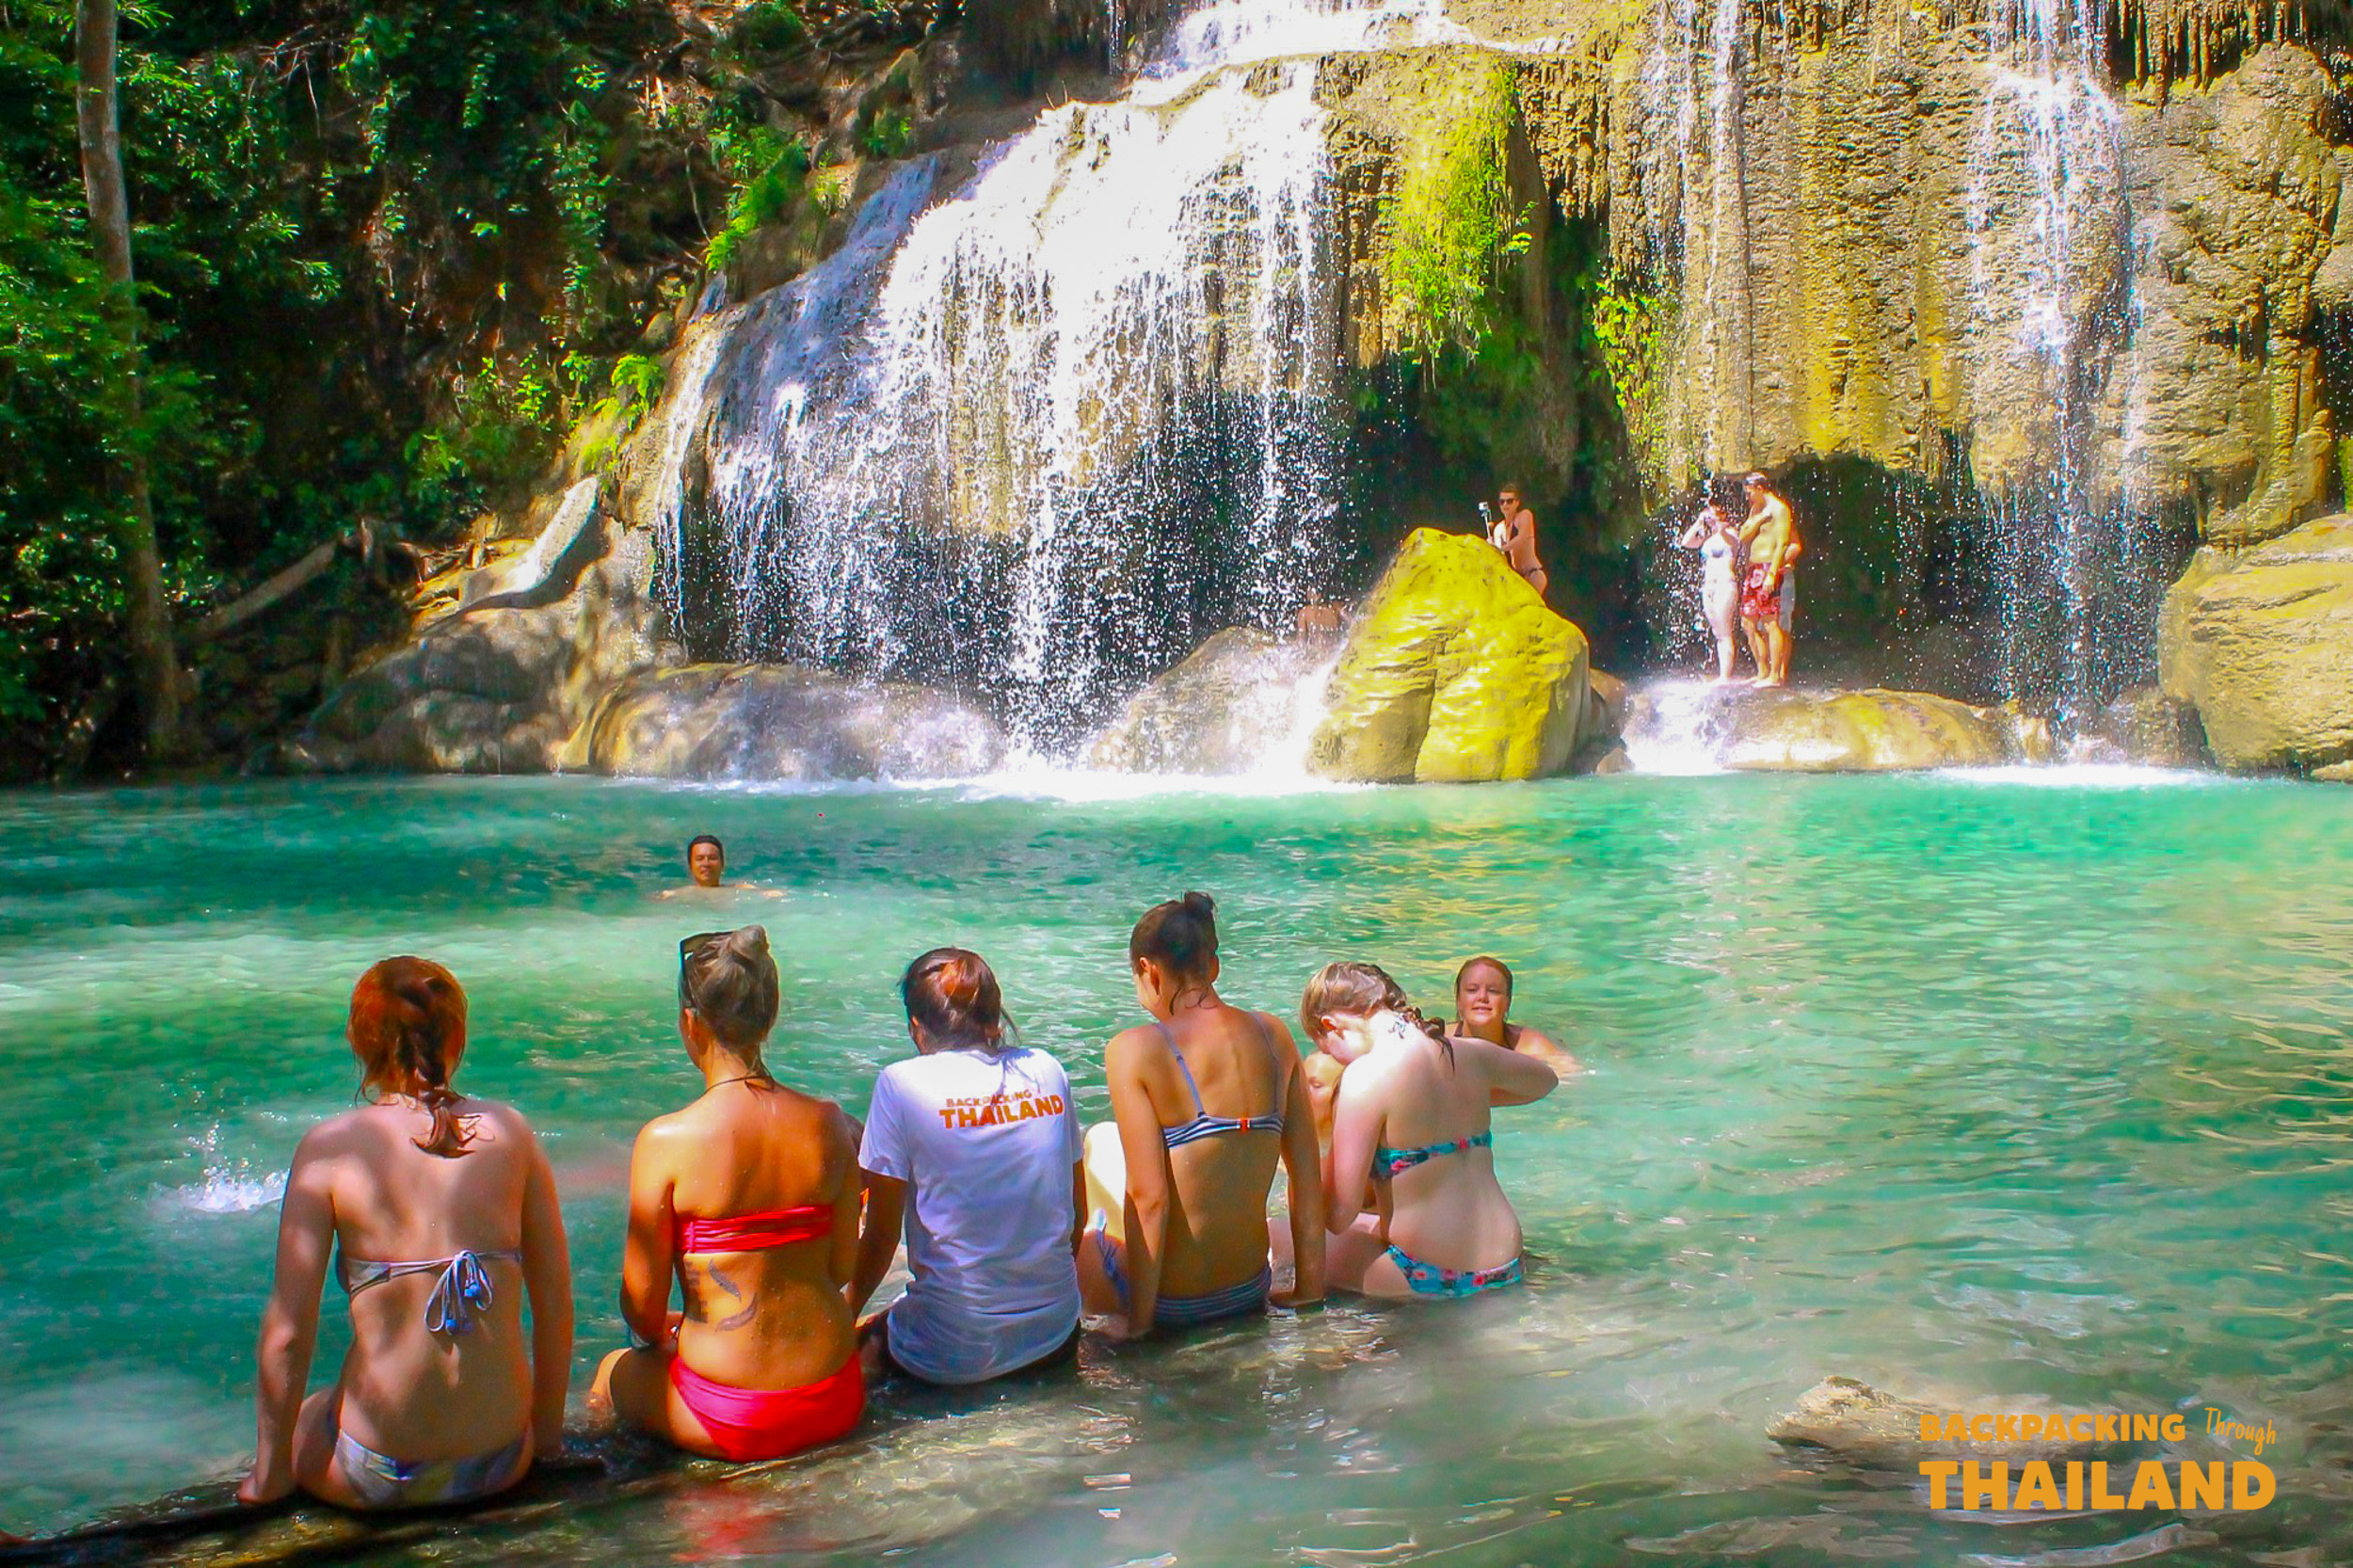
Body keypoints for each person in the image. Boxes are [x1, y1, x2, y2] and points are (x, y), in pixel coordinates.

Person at [241, 958, 572, 1511]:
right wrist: (549, 1443)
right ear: (457, 1037)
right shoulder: (512, 1131)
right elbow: (556, 1305)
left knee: (310, 1412)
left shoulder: (330, 1147)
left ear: (361, 1042)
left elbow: (288, 1335)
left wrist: (270, 1478)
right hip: (502, 1460)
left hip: (377, 1476)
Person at [590, 927, 864, 1463]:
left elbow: (642, 1312)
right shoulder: (829, 1123)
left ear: (690, 1023)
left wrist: (676, 1323)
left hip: (733, 1416)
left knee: (611, 1371)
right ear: (769, 1018)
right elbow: (839, 1268)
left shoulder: (667, 1140)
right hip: (834, 1393)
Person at [1079, 893, 1324, 1336]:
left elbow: (1149, 1199)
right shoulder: (1273, 1035)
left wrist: (1140, 1327)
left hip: (1173, 1307)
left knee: (1093, 1190)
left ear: (1148, 971)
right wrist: (1309, 1291)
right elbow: (1306, 1177)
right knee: (1104, 1137)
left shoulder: (1134, 1049)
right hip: (1249, 1290)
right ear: (1213, 966)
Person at [851, 949, 1084, 1384]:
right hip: (1055, 1336)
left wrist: (844, 1317)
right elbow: (1076, 1216)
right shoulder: (1046, 1069)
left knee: (869, 1339)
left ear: (916, 1029)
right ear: (994, 1020)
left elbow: (882, 1240)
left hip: (953, 1355)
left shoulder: (900, 1085)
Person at [1302, 963, 1557, 1298]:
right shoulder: (1468, 1053)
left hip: (1430, 1277)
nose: (1334, 1061)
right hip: (1507, 1264)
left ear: (1331, 1025)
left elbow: (1338, 1216)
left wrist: (1298, 1168)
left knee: (1279, 1237)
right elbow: (1544, 1081)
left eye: (1325, 1048)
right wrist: (1460, 1099)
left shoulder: (1366, 1077)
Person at [1451, 956, 1579, 1077]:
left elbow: (1572, 1077)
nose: (1482, 997)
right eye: (1472, 990)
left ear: (1507, 1003)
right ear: (1458, 1000)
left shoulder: (1532, 1047)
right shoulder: (1439, 1040)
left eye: (1493, 991)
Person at [1736, 472, 1801, 687]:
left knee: (1771, 622)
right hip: (1752, 569)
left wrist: (1773, 572)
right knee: (1748, 622)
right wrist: (1760, 518)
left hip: (1768, 568)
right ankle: (1762, 670)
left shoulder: (1780, 509)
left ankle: (1775, 675)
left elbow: (1784, 543)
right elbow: (1743, 536)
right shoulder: (1757, 509)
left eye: (1749, 493)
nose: (1748, 498)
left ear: (1760, 488)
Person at [1675, 498, 1746, 683]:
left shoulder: (1732, 534)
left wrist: (1720, 525)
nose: (1710, 518)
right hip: (1709, 586)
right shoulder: (1707, 537)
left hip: (1725, 584)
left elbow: (1734, 543)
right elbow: (1686, 542)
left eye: (1713, 514)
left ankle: (1725, 676)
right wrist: (1699, 522)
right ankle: (1723, 673)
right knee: (1717, 631)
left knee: (1724, 631)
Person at [659, 835, 781, 899]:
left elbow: (768, 893)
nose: (706, 864)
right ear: (690, 865)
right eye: (699, 859)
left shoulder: (742, 889)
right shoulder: (675, 895)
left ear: (723, 864)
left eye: (712, 858)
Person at [1487, 484, 1548, 599]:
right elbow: (1500, 556)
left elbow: (1522, 538)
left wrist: (1501, 548)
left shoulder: (1524, 516)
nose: (1505, 505)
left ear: (1517, 503)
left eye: (1509, 501)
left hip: (1533, 574)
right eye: (1502, 502)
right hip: (1519, 579)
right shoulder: (1499, 529)